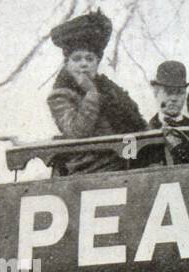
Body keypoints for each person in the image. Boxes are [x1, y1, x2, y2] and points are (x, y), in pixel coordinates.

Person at [45, 10, 147, 175]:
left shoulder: (110, 90)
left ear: (97, 63)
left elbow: (136, 124)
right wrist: (91, 93)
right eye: (77, 59)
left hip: (124, 163)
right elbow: (76, 132)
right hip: (89, 169)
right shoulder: (60, 96)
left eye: (89, 59)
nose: (84, 64)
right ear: (67, 63)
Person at [138, 61, 189, 167]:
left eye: (179, 92)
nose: (174, 98)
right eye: (168, 92)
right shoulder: (146, 131)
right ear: (156, 93)